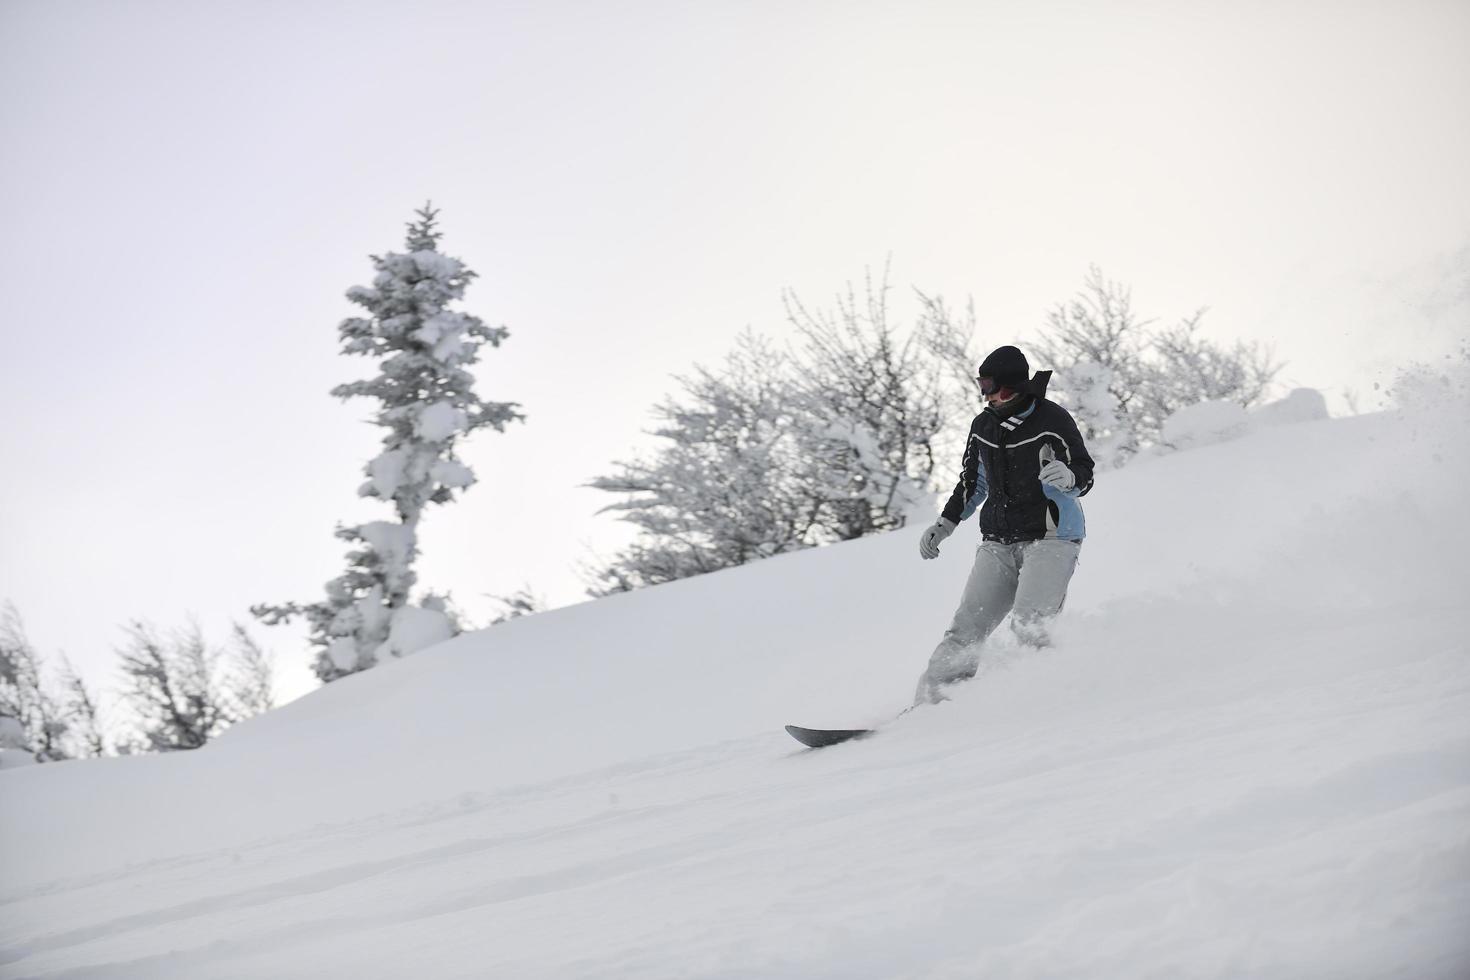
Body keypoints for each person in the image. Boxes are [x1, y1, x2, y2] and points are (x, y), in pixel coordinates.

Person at [913, 345, 1095, 704]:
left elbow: (1084, 473)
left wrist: (1069, 477)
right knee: (966, 628)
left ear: (1017, 387)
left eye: (999, 389)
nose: (991, 397)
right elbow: (972, 483)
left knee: (1031, 625)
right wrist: (944, 525)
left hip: (1052, 537)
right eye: (985, 388)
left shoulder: (1052, 420)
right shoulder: (983, 427)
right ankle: (933, 706)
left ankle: (1037, 701)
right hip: (998, 540)